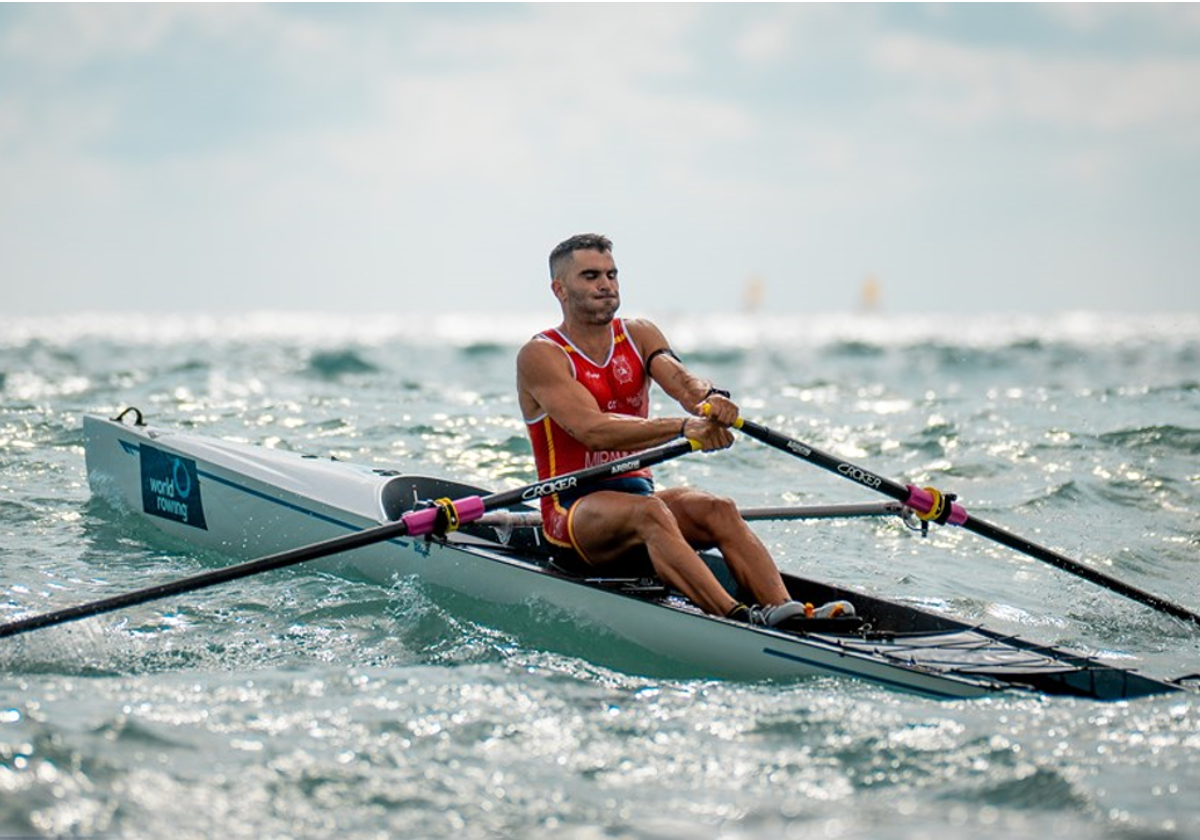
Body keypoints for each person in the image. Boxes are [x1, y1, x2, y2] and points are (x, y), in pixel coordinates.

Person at [516, 233, 853, 626]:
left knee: (718, 509)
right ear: (560, 289)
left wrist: (710, 400)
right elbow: (594, 430)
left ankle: (786, 611)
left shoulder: (639, 334)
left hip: (639, 501)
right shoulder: (541, 355)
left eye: (611, 274)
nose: (606, 285)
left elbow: (681, 382)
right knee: (651, 512)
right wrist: (683, 427)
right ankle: (738, 619)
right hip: (573, 516)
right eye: (591, 276)